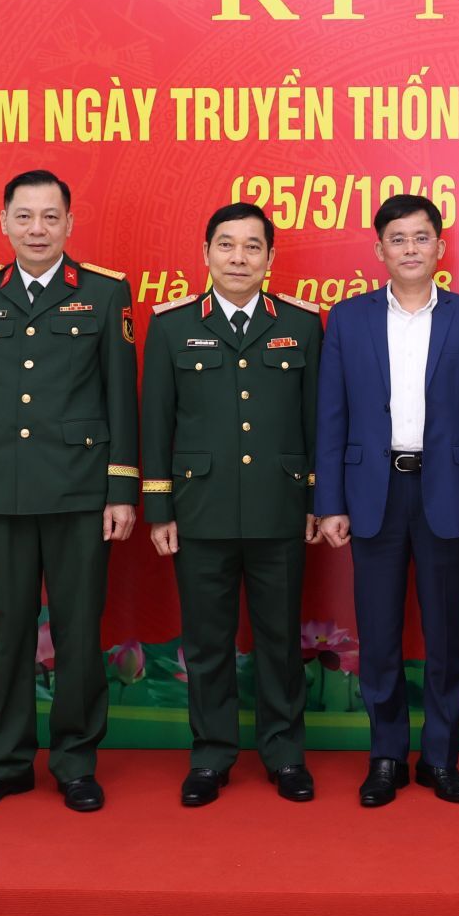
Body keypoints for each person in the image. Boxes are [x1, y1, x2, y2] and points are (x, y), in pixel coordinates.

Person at [0, 170, 140, 813]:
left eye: (50, 217)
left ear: (69, 224)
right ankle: (5, 763)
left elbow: (120, 395)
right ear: (4, 222)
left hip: (80, 490)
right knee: (7, 633)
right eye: (24, 216)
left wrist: (121, 489)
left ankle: (76, 762)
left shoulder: (104, 292)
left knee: (78, 632)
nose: (37, 229)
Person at [315, 194, 459, 807]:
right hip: (373, 493)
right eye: (397, 239)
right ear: (379, 249)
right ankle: (386, 757)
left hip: (447, 491)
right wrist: (330, 502)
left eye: (421, 238)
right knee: (378, 634)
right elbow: (330, 418)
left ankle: (441, 759)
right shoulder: (348, 319)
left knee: (445, 633)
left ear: (440, 247)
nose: (410, 249)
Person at [140, 203, 321, 806]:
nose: (238, 258)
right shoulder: (171, 326)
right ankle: (211, 756)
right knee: (207, 642)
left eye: (251, 247)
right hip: (201, 509)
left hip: (279, 508)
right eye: (226, 245)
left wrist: (315, 499)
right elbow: (156, 421)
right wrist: (160, 509)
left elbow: (316, 421)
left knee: (280, 639)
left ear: (270, 257)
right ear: (206, 253)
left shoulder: (301, 324)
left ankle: (285, 754)